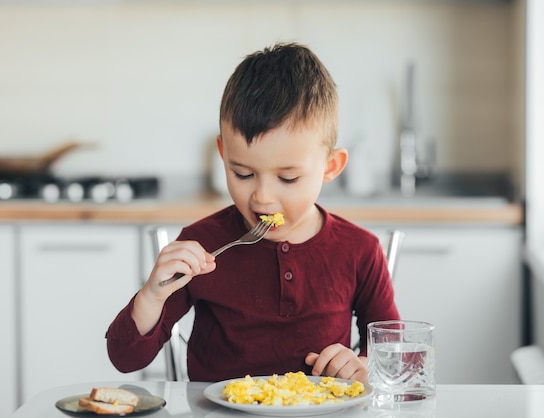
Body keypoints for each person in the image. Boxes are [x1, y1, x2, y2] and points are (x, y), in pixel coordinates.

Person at [106, 42, 400, 383]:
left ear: (330, 167)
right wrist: (152, 295)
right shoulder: (203, 244)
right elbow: (124, 359)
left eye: (287, 178)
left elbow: (396, 361)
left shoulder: (359, 250)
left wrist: (364, 365)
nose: (262, 198)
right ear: (223, 153)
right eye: (242, 174)